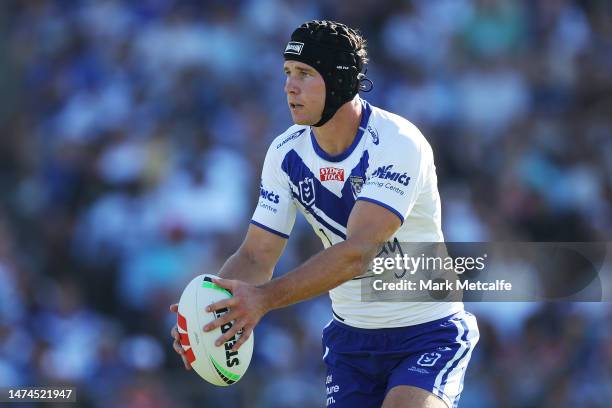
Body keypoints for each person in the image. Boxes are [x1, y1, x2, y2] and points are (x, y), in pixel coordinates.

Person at [170, 20, 479, 408]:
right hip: (351, 342)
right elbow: (255, 256)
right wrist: (207, 315)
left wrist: (263, 299)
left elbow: (358, 250)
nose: (289, 86)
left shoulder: (398, 143)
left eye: (304, 74)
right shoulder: (285, 154)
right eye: (286, 73)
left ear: (339, 81)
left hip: (427, 332)